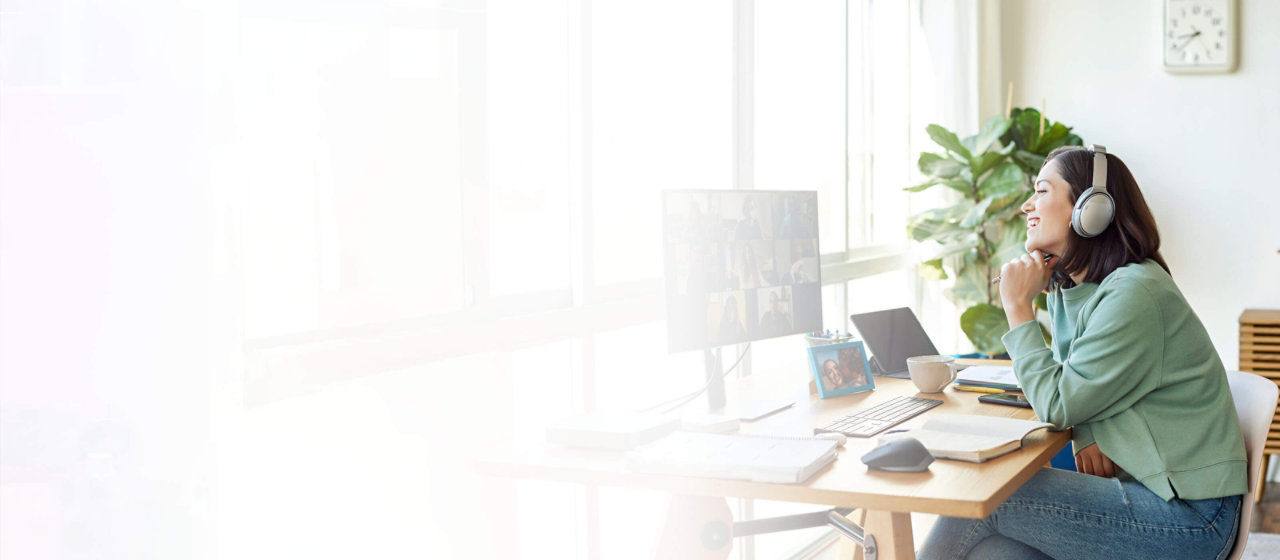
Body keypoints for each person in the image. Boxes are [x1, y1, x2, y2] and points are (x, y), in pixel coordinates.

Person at [918, 146, 1246, 560]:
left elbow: (1057, 403)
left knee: (986, 495)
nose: (1026, 206)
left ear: (1092, 210)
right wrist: (1087, 429)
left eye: (1041, 191)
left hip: (1191, 517)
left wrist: (1017, 307)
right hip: (1146, 490)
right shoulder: (1081, 291)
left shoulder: (1135, 292)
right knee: (993, 553)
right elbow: (1074, 379)